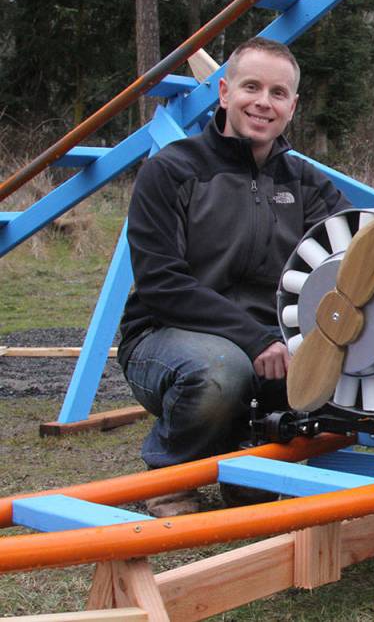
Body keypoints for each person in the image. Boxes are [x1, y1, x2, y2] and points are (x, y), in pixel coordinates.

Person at [118, 37, 350, 517]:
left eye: (278, 93)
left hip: (275, 343)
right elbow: (162, 283)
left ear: (293, 107)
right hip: (169, 338)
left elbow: (357, 244)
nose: (263, 102)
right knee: (222, 371)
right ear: (224, 92)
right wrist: (256, 339)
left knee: (339, 376)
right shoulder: (171, 171)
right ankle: (170, 473)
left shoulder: (307, 183)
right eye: (251, 87)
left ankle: (251, 461)